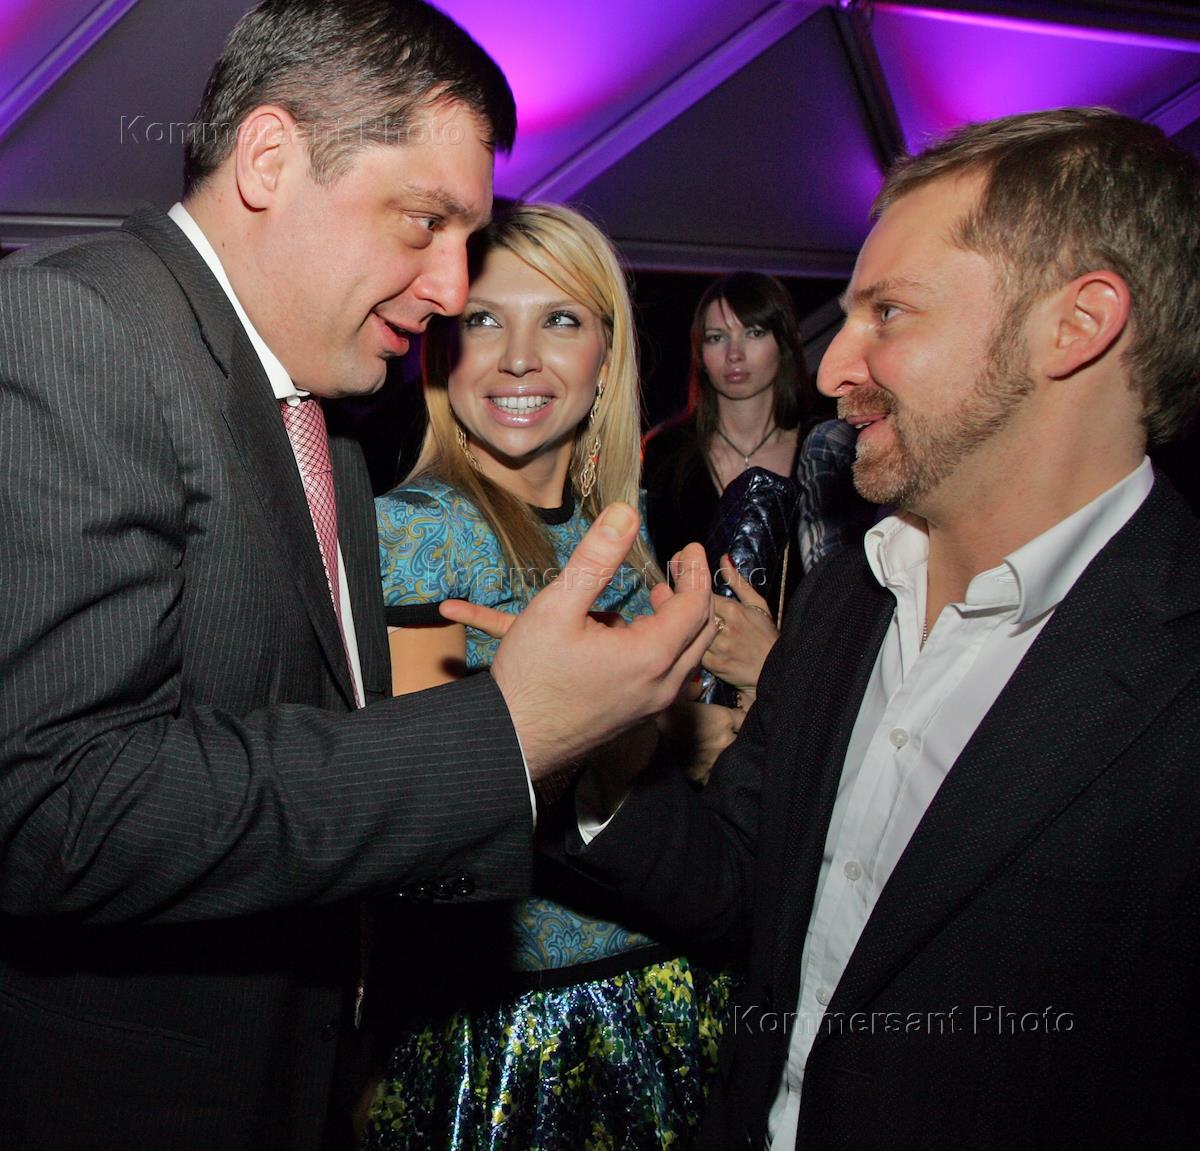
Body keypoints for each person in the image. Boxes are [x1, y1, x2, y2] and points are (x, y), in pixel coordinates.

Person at [0, 4, 712, 1149]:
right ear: (270, 159)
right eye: (426, 221)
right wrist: (512, 729)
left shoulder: (316, 425)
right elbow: (52, 805)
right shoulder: (76, 327)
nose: (450, 291)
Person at [514, 107, 1200, 1149]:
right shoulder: (850, 596)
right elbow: (747, 878)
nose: (835, 366)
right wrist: (590, 753)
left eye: (888, 311)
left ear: (1079, 323)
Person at [365, 202, 735, 1150]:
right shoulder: (419, 533)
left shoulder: (619, 530)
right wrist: (629, 746)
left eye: (560, 319)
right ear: (440, 352)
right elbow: (422, 832)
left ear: (607, 356)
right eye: (482, 320)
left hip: (668, 999)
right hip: (523, 1038)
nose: (519, 357)